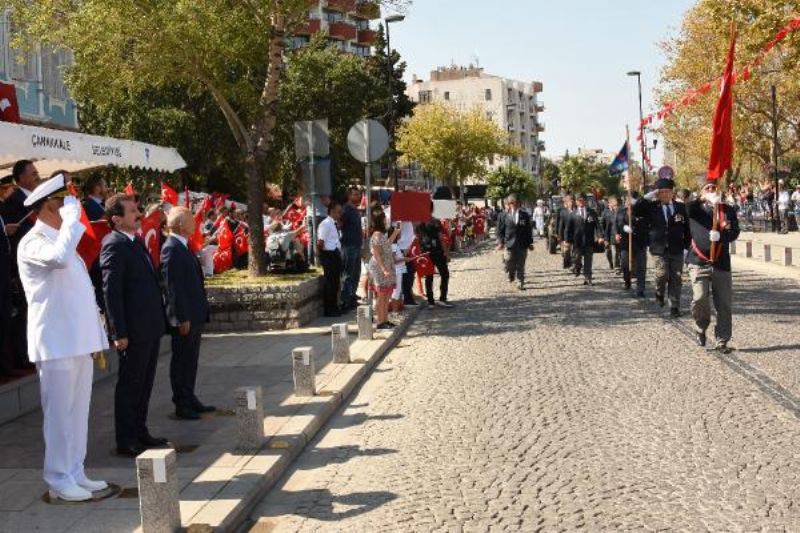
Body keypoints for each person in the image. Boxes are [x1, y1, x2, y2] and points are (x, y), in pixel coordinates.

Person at [17, 174, 109, 502]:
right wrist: (72, 222)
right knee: (58, 414)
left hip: (78, 340)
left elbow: (82, 293)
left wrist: (96, 334)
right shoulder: (33, 243)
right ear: (45, 209)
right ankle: (58, 477)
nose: (69, 211)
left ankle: (75, 470)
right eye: (62, 205)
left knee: (78, 411)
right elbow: (57, 259)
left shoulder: (63, 241)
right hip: (55, 343)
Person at [100, 194, 168, 457]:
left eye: (138, 210)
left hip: (148, 326)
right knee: (130, 385)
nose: (139, 215)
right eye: (132, 212)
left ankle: (140, 431)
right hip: (133, 330)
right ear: (117, 219)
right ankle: (126, 439)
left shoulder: (135, 242)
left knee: (145, 383)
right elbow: (111, 291)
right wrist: (119, 331)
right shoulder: (113, 244)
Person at [161, 206, 214, 420]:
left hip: (194, 312)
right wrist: (180, 317)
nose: (195, 221)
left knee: (191, 359)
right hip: (185, 316)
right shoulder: (171, 248)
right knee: (182, 360)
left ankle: (190, 397)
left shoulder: (183, 245)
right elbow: (172, 287)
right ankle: (181, 403)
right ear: (181, 224)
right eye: (191, 218)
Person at [686, 178, 740, 352]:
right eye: (707, 188)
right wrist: (702, 199)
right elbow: (687, 207)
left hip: (721, 262)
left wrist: (722, 237)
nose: (711, 190)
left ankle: (722, 339)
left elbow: (734, 232)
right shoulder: (695, 209)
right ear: (701, 191)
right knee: (700, 298)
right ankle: (700, 327)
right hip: (698, 261)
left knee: (724, 303)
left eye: (713, 187)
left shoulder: (728, 210)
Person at [642, 179, 690, 317]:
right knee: (662, 274)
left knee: (676, 278)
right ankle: (659, 291)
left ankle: (674, 307)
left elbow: (687, 228)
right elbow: (637, 208)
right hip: (659, 248)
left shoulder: (680, 208)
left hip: (677, 248)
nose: (664, 195)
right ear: (658, 194)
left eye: (667, 192)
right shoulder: (652, 207)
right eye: (661, 192)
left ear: (672, 193)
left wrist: (686, 247)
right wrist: (648, 196)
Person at [496, 194, 534, 291]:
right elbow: (499, 231)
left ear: (518, 203)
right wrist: (500, 242)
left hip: (522, 244)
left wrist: (530, 243)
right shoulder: (503, 215)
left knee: (521, 264)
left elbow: (528, 230)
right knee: (509, 262)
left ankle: (520, 282)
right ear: (509, 204)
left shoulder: (524, 215)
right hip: (509, 243)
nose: (514, 205)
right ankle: (510, 273)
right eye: (512, 203)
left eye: (516, 203)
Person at [368, 211, 399, 329]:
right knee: (382, 295)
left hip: (386, 266)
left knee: (386, 294)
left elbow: (387, 245)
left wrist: (395, 232)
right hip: (380, 268)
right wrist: (384, 269)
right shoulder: (376, 235)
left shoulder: (380, 234)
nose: (386, 221)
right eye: (384, 219)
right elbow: (377, 254)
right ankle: (380, 321)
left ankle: (385, 320)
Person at [615, 192, 649, 296]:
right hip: (626, 243)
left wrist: (635, 227)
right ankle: (627, 281)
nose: (629, 202)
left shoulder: (642, 211)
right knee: (625, 264)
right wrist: (622, 229)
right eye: (627, 200)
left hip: (640, 242)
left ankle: (640, 288)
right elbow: (618, 223)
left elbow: (646, 224)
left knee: (641, 266)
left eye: (631, 200)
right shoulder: (620, 211)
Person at [565, 194, 603, 285]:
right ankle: (577, 268)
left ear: (585, 201)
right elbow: (568, 229)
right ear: (577, 202)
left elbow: (597, 226)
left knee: (588, 260)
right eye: (579, 200)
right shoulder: (572, 214)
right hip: (577, 241)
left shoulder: (592, 212)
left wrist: (600, 236)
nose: (581, 202)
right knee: (576, 259)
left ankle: (588, 278)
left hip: (589, 240)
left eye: (583, 200)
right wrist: (567, 241)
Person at [419, 215, 453, 308]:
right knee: (444, 274)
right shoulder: (435, 221)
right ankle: (442, 299)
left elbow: (418, 237)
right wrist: (446, 253)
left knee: (428, 276)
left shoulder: (420, 222)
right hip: (437, 251)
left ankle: (430, 302)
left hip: (425, 252)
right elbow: (441, 238)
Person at [317, 201, 343, 317]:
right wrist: (322, 256)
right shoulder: (326, 224)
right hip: (328, 254)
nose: (340, 214)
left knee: (335, 282)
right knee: (330, 283)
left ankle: (334, 306)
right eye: (338, 212)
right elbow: (320, 242)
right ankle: (329, 308)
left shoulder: (333, 223)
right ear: (332, 211)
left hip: (335, 254)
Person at [339, 188, 362, 311]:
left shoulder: (355, 209)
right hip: (348, 246)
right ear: (349, 195)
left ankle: (352, 297)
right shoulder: (346, 209)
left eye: (358, 194)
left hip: (357, 245)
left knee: (356, 274)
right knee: (348, 274)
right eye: (355, 194)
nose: (357, 196)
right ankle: (344, 301)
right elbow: (340, 224)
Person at [601, 196, 620, 271]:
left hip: (615, 234)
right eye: (613, 203)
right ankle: (611, 263)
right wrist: (602, 236)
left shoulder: (618, 211)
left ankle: (617, 266)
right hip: (607, 235)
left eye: (616, 204)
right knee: (608, 251)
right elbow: (602, 224)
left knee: (616, 251)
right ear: (609, 204)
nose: (615, 205)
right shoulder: (605, 212)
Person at [556, 194, 575, 270]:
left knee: (575, 250)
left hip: (574, 234)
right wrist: (558, 234)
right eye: (570, 200)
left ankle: (574, 264)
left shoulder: (576, 210)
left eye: (572, 200)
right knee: (565, 252)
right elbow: (559, 223)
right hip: (564, 234)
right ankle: (567, 262)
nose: (571, 202)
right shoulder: (560, 210)